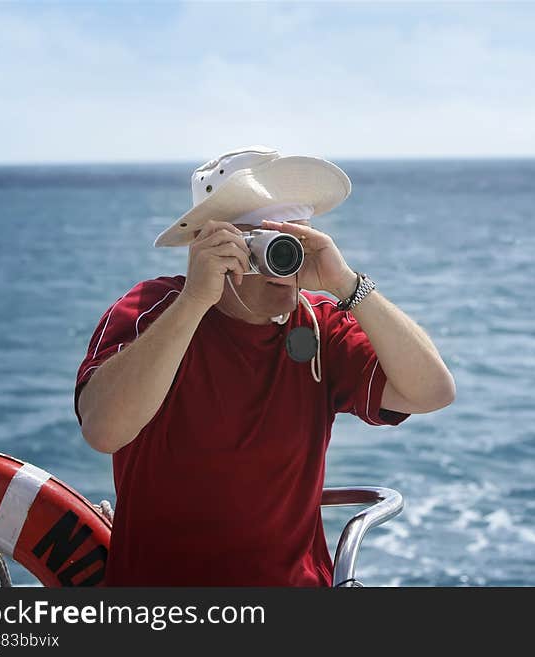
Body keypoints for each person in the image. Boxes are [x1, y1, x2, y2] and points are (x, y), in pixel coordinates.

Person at [74, 147, 455, 586]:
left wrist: (347, 284)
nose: (284, 262)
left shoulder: (318, 326)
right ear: (212, 242)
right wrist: (196, 300)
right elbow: (102, 431)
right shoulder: (152, 311)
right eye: (265, 243)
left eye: (295, 242)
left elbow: (432, 392)